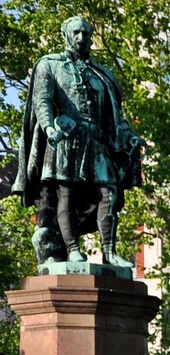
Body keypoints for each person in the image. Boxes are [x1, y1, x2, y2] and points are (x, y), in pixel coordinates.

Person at [9, 16, 143, 268]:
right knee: (66, 195)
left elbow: (115, 115)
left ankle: (109, 252)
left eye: (86, 33)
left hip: (96, 140)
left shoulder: (101, 74)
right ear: (66, 35)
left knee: (109, 193)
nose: (82, 38)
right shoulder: (50, 65)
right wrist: (49, 126)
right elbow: (42, 101)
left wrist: (127, 135)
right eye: (77, 33)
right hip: (65, 140)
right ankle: (71, 249)